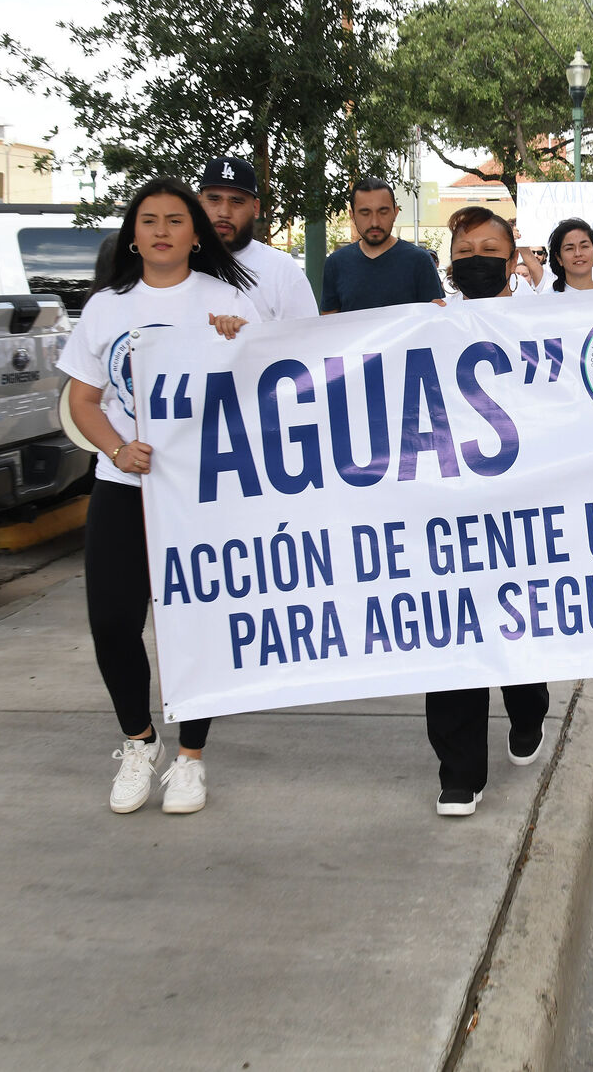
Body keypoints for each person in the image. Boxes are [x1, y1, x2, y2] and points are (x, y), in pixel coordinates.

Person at [60, 178, 261, 817]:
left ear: (195, 234)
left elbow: (269, 387)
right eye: (148, 220)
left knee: (193, 625)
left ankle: (192, 760)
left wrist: (241, 341)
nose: (162, 230)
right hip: (124, 489)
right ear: (133, 234)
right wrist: (118, 449)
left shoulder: (228, 301)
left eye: (176, 219)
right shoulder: (106, 308)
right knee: (112, 622)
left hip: (201, 495)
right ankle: (139, 742)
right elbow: (84, 401)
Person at [428, 205, 551, 815]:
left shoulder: (544, 319)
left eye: (488, 248)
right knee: (449, 628)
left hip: (520, 510)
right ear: (451, 260)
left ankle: (528, 711)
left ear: (511, 254)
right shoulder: (424, 325)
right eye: (465, 249)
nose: (475, 259)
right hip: (449, 507)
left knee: (513, 625)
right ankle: (458, 770)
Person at [197, 155, 318, 321]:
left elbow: (306, 340)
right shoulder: (178, 264)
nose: (224, 212)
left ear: (255, 208)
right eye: (214, 199)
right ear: (199, 202)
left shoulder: (282, 269)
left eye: (236, 201)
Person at [321, 177, 446, 313]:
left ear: (395, 213)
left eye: (383, 212)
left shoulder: (420, 261)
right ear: (352, 215)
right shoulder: (335, 263)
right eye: (365, 213)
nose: (375, 222)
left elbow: (435, 318)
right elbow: (329, 322)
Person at [545, 217, 593, 293]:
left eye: (584, 246)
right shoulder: (546, 299)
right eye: (569, 249)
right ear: (559, 258)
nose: (578, 253)